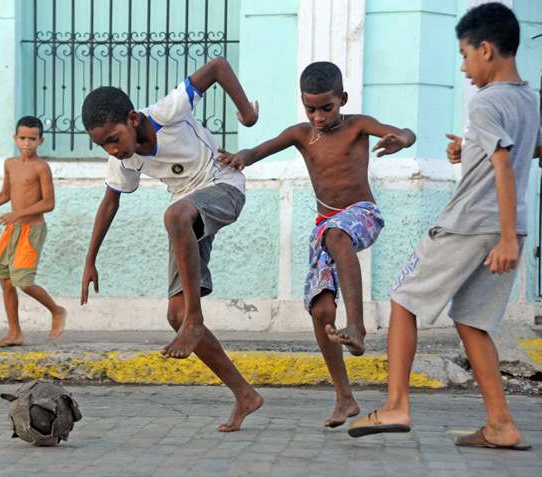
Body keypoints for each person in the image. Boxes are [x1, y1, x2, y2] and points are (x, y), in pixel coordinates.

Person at [344, 3, 542, 449]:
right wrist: (471, 148)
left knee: (403, 299)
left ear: (487, 50)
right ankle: (501, 425)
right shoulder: (528, 98)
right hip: (509, 225)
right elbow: (527, 149)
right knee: (472, 320)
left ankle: (395, 404)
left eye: (465, 54)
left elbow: (505, 164)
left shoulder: (486, 100)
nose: (463, 65)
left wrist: (506, 235)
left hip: (470, 222)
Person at [218, 61, 416, 427]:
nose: (319, 116)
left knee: (338, 235)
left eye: (327, 108)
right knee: (321, 311)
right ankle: (345, 399)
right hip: (325, 226)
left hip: (361, 214)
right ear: (303, 104)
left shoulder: (359, 125)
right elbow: (259, 151)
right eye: (311, 109)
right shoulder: (300, 133)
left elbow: (403, 131)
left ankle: (356, 326)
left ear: (342, 99)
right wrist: (240, 158)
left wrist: (401, 138)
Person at [80, 56, 263, 431]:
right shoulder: (123, 161)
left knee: (174, 215)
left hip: (224, 186)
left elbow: (218, 67)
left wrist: (246, 114)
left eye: (114, 139)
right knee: (174, 315)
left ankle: (195, 319)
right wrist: (90, 259)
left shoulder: (168, 111)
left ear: (132, 119)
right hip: (190, 212)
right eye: (103, 146)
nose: (112, 150)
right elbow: (110, 201)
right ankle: (245, 394)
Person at [0, 116, 67, 349]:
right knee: (6, 282)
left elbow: (49, 203)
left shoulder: (41, 167)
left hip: (32, 230)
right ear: (15, 138)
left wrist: (18, 213)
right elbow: (4, 195)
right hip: (12, 229)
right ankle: (14, 333)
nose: (27, 143)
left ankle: (56, 310)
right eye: (23, 138)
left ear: (41, 140)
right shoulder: (10, 164)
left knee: (24, 283)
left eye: (33, 139)